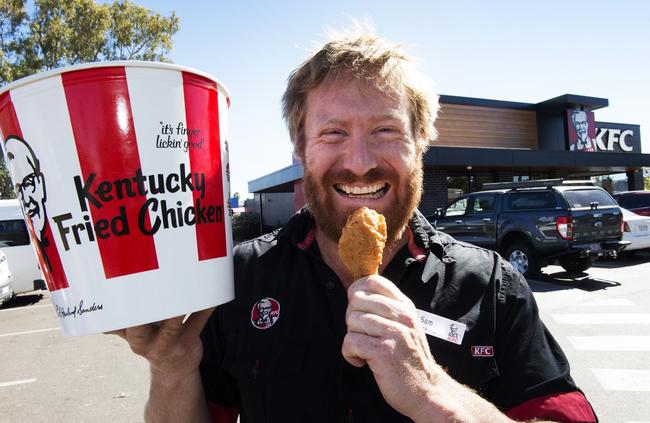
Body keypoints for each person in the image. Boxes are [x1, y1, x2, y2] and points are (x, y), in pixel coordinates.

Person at [114, 28, 598, 423]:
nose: (361, 162)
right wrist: (172, 369)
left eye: (385, 130)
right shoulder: (238, 279)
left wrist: (433, 392)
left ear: (421, 144)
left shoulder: (492, 285)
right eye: (333, 133)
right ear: (301, 150)